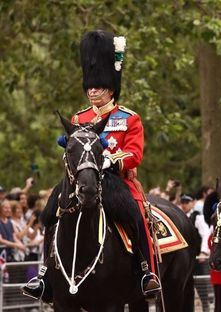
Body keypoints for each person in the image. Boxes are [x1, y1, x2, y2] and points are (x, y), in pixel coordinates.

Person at [22, 30, 160, 301]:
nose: (92, 91)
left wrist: (111, 159)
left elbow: (134, 153)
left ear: (111, 88)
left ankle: (145, 271)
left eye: (98, 87)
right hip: (80, 178)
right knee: (51, 212)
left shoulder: (128, 118)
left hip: (115, 180)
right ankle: (44, 275)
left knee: (135, 214)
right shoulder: (79, 117)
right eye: (90, 87)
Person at [180, 194, 211, 312]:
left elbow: (206, 234)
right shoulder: (179, 215)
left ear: (193, 203)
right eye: (182, 202)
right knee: (185, 287)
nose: (184, 204)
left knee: (201, 286)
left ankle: (206, 307)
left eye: (186, 202)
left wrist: (203, 252)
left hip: (197, 258)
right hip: (183, 260)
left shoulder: (197, 217)